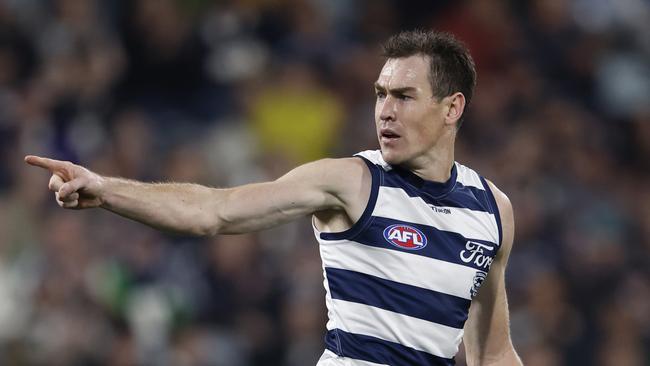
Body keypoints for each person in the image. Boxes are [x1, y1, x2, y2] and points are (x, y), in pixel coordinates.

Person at [25, 30, 522, 365]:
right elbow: (213, 212)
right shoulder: (351, 180)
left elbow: (493, 352)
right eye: (379, 93)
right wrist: (107, 189)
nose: (385, 111)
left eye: (404, 96)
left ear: (452, 106)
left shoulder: (491, 210)